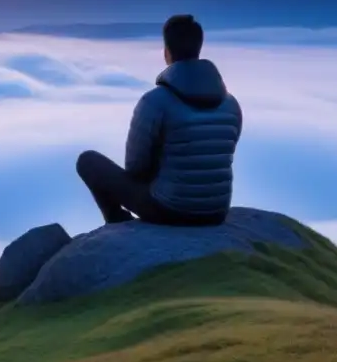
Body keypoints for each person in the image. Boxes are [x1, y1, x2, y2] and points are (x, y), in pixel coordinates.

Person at [76, 14, 241, 226]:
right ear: (199, 49)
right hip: (217, 212)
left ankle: (117, 222)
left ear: (166, 52)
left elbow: (136, 168)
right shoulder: (231, 104)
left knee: (88, 161)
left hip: (170, 210)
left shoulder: (155, 101)